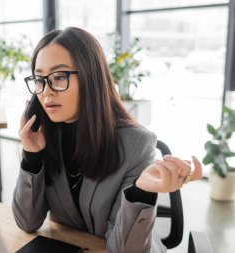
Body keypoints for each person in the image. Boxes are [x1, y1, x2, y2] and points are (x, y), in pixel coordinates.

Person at [12, 27, 202, 253]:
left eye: (59, 77)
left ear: (91, 77)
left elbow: (123, 249)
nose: (45, 92)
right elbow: (27, 222)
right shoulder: (46, 135)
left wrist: (140, 191)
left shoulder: (136, 144)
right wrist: (32, 156)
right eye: (40, 79)